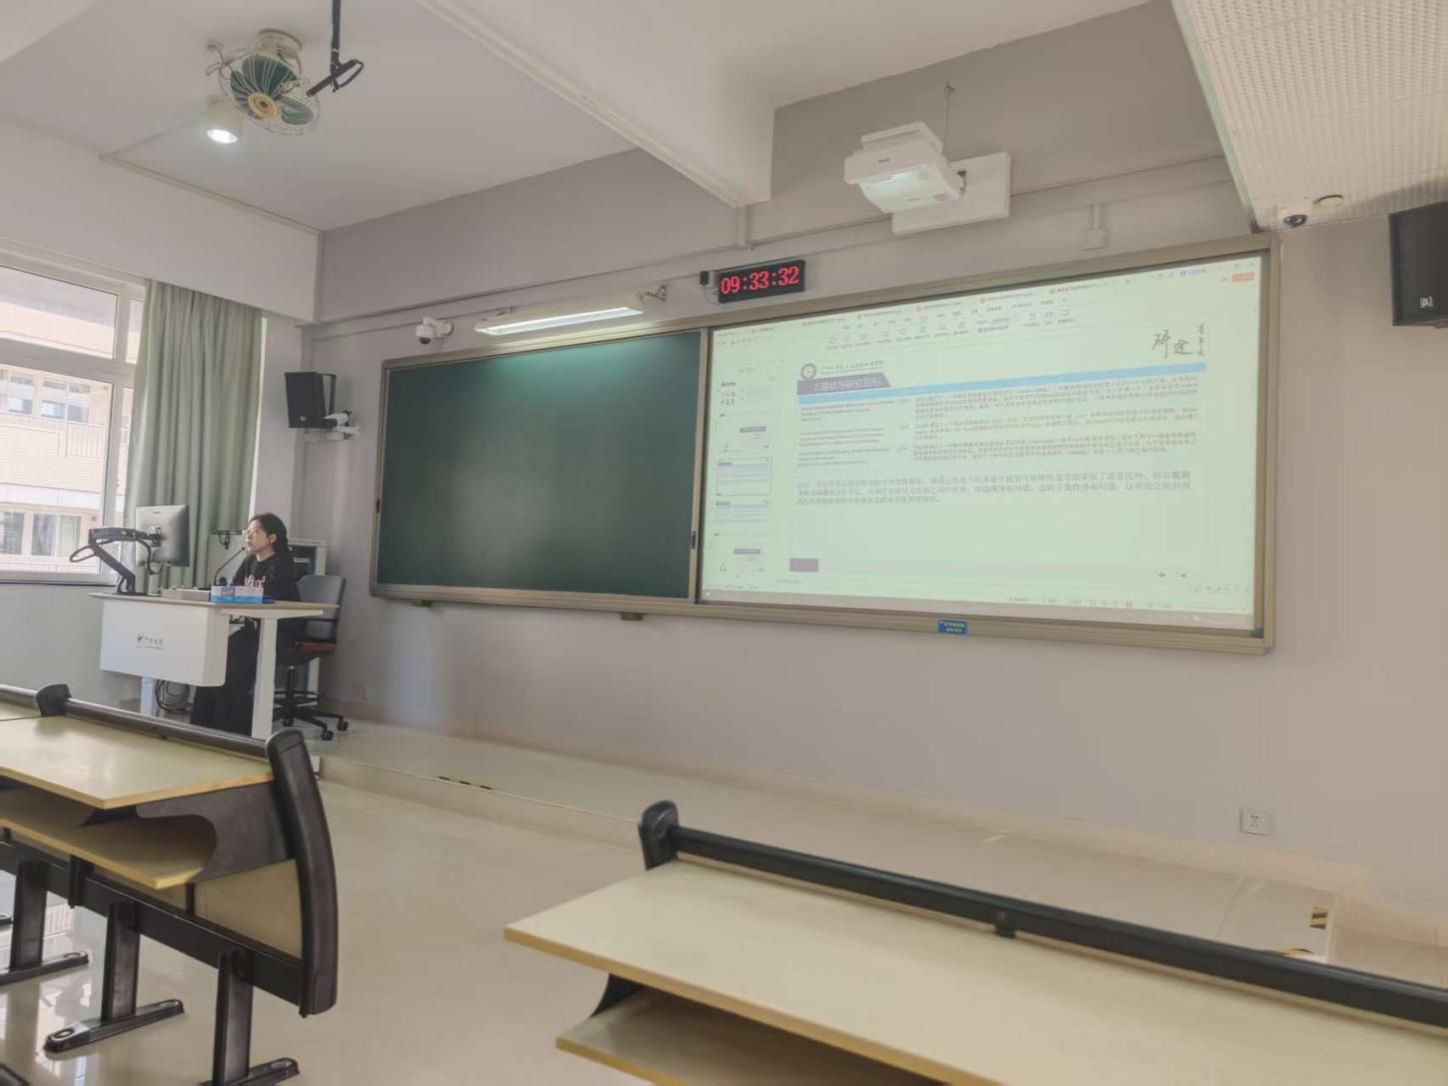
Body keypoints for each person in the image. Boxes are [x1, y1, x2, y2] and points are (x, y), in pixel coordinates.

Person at [191, 513, 303, 736]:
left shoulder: (283, 564)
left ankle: (235, 729)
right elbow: (233, 589)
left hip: (279, 631)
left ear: (271, 538)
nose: (248, 537)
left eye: (255, 532)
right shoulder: (249, 561)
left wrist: (239, 595)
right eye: (247, 532)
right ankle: (204, 725)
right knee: (214, 654)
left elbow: (268, 595)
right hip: (253, 630)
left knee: (234, 660)